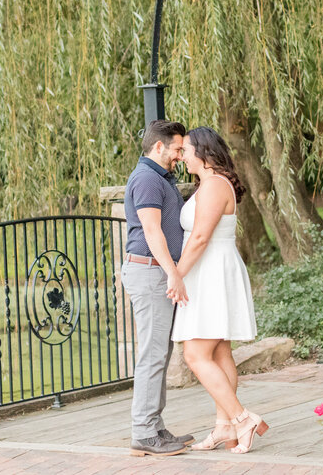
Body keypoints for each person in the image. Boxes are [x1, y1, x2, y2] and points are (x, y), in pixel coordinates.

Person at [170, 126, 268, 454]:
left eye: (186, 150)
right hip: (210, 271)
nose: (182, 155)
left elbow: (200, 238)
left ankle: (242, 418)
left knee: (195, 354)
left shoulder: (213, 186)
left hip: (210, 272)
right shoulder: (210, 184)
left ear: (203, 152)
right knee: (219, 351)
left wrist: (176, 275)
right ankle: (224, 427)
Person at [121, 120, 194, 457]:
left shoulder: (157, 177)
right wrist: (173, 274)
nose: (181, 155)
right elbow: (152, 232)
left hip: (153, 272)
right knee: (153, 355)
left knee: (159, 355)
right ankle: (144, 433)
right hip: (151, 272)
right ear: (159, 147)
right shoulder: (148, 179)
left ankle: (154, 426)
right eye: (178, 149)